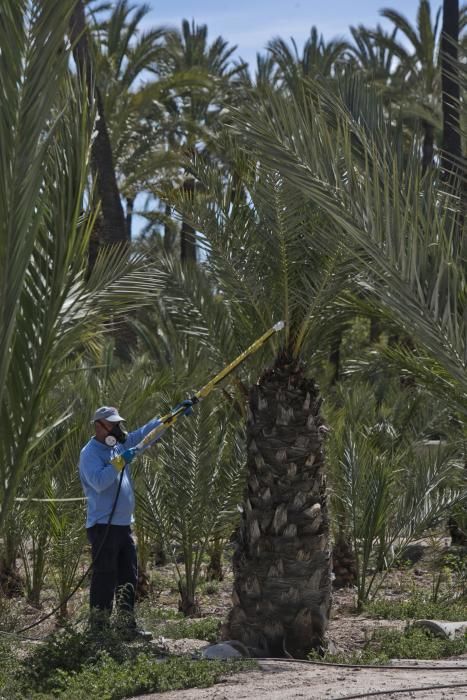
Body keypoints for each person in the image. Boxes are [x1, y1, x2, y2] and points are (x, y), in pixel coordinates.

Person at [79, 402, 192, 639]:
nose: (118, 429)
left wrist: (171, 417)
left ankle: (125, 626)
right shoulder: (89, 454)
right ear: (99, 426)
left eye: (119, 424)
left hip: (123, 526)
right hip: (103, 526)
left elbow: (145, 436)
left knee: (128, 576)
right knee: (105, 577)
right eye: (113, 425)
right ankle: (98, 630)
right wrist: (120, 462)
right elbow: (99, 482)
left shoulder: (119, 445)